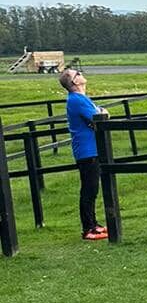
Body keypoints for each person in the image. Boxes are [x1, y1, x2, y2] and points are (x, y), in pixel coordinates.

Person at [59, 68, 108, 240]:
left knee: (92, 189)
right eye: (77, 74)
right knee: (89, 189)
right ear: (74, 82)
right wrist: (102, 113)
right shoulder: (77, 100)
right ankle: (88, 228)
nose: (80, 74)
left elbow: (100, 113)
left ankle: (94, 224)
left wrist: (101, 113)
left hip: (91, 149)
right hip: (88, 151)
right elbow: (99, 116)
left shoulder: (81, 99)